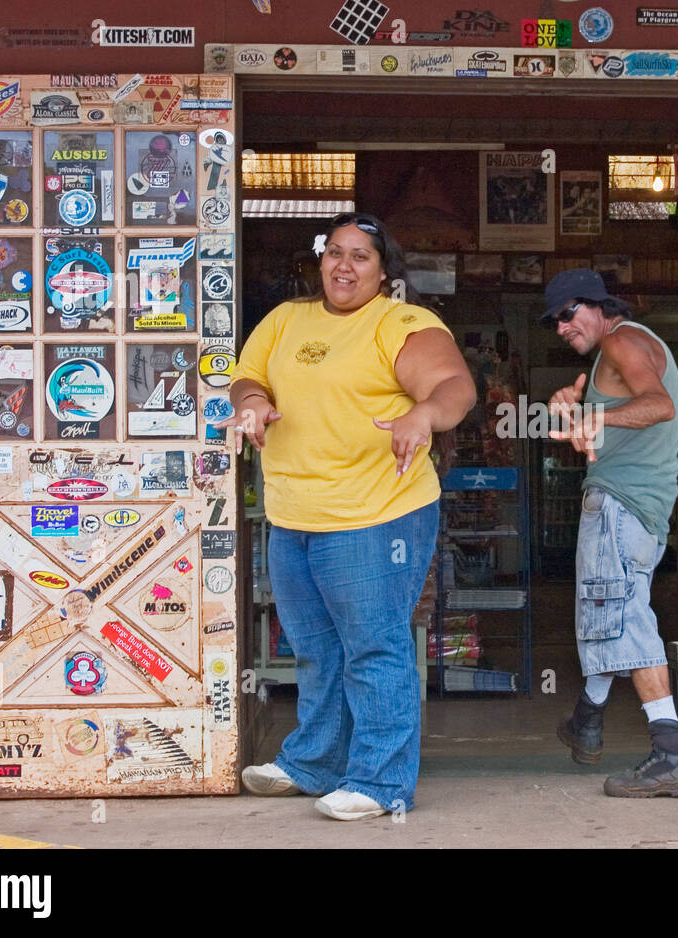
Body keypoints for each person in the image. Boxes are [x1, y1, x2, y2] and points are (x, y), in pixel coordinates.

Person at [220, 212, 476, 821]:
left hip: (376, 513)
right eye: (335, 252)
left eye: (361, 256)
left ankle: (381, 782)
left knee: (374, 647)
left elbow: (454, 387)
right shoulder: (286, 319)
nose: (344, 265)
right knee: (313, 649)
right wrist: (253, 404)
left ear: (385, 270)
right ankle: (314, 763)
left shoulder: (400, 323)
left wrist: (424, 417)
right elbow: (247, 378)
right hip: (294, 513)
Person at [544, 268, 678, 798]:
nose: (562, 327)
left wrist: (597, 420)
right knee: (609, 611)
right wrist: (582, 413)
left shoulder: (621, 340)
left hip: (620, 507)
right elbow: (604, 434)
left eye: (568, 313)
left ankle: (671, 752)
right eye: (555, 322)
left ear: (596, 304)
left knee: (626, 617)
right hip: (640, 508)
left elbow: (660, 406)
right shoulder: (614, 354)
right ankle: (586, 719)